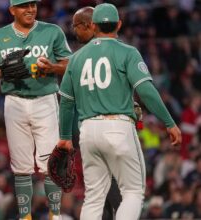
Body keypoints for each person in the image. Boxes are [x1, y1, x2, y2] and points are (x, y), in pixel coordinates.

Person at [57, 3, 182, 220]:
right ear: (120, 24)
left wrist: (65, 138)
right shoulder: (127, 52)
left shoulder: (76, 58)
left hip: (87, 131)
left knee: (94, 197)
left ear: (94, 25)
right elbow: (146, 91)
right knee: (133, 192)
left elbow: (66, 102)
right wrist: (169, 122)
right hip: (117, 126)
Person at [0, 0, 72, 219]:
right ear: (12, 10)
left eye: (33, 4)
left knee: (51, 163)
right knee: (21, 165)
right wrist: (4, 71)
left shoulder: (52, 31)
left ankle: (55, 215)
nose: (31, 9)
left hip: (45, 99)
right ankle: (25, 216)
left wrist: (52, 67)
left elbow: (68, 63)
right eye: (24, 5)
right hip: (15, 101)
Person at [70, 7, 122, 220]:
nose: (74, 32)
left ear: (90, 25)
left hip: (91, 127)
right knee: (109, 188)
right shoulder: (116, 50)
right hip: (108, 127)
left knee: (102, 191)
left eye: (76, 27)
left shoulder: (80, 56)